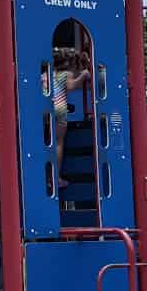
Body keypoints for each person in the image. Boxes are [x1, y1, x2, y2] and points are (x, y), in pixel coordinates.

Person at [52, 47, 91, 187]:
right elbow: (71, 86)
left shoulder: (47, 74)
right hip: (60, 109)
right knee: (58, 143)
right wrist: (83, 75)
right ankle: (56, 177)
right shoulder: (66, 74)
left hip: (47, 110)